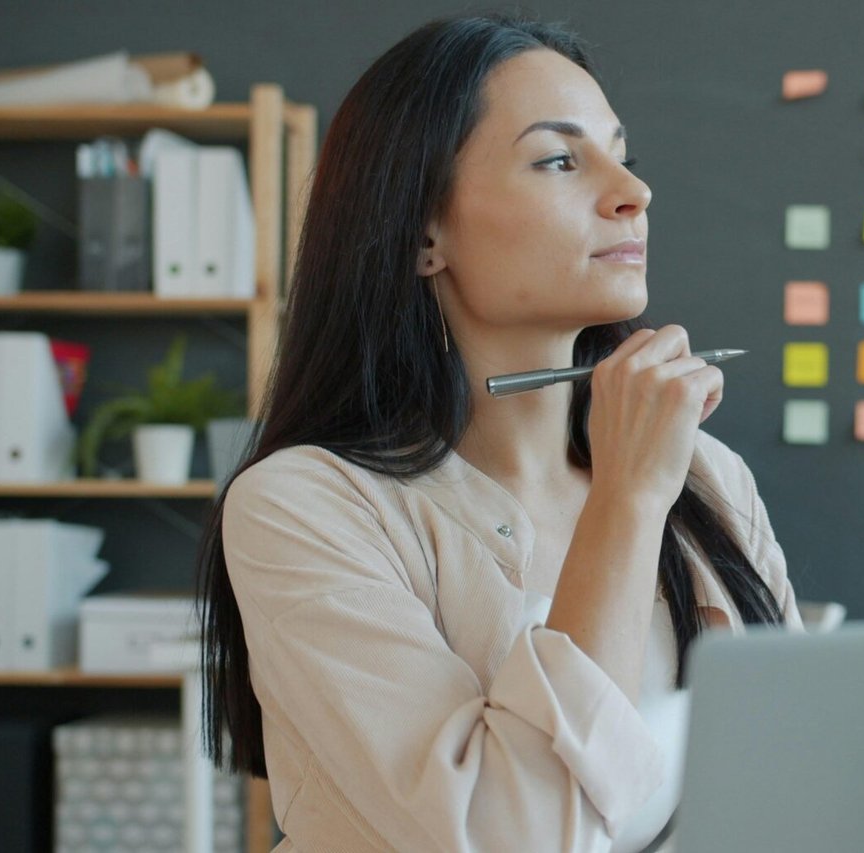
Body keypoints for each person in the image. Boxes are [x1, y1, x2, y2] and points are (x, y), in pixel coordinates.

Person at [194, 13, 806, 852]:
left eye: (622, 154)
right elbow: (508, 837)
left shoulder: (708, 478)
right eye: (560, 159)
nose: (633, 191)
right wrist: (627, 501)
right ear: (422, 234)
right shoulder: (302, 506)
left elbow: (799, 779)